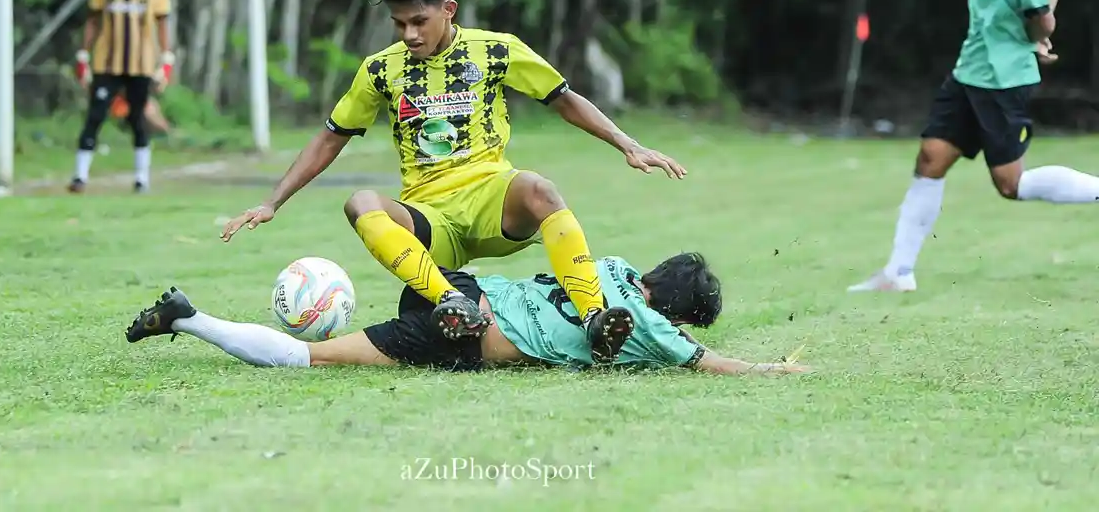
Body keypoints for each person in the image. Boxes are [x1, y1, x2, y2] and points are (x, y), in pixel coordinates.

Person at [220, 0, 687, 364]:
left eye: (419, 21)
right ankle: (454, 305)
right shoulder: (380, 70)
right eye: (399, 23)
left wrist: (629, 144)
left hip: (493, 203)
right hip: (430, 220)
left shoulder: (497, 50)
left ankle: (594, 319)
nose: (409, 34)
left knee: (540, 188)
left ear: (449, 10)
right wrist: (272, 201)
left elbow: (563, 97)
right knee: (361, 201)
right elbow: (330, 136)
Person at [850, 0, 1099, 293]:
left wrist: (1042, 32)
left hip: (1002, 82)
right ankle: (897, 273)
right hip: (970, 72)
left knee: (1010, 183)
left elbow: (1041, 7)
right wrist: (1036, 30)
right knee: (930, 159)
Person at [126, 251, 809, 376]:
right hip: (464, 337)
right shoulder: (658, 334)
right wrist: (767, 369)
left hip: (455, 288)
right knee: (312, 357)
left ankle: (187, 316)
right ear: (682, 315)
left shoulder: (609, 268)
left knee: (458, 298)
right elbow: (706, 362)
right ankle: (192, 319)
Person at [70, 0, 175, 194]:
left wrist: (166, 60)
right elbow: (93, 19)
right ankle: (79, 177)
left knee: (138, 118)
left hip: (141, 64)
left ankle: (141, 179)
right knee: (95, 114)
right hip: (107, 62)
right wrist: (83, 55)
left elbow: (162, 23)